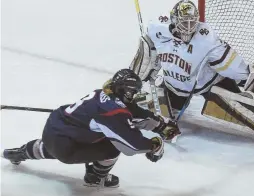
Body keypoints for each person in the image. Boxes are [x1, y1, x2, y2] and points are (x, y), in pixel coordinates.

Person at [130, 0, 254, 147]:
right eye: (185, 23)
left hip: (211, 84)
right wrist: (148, 69)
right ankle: (126, 99)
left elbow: (229, 63)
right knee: (159, 118)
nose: (189, 27)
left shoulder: (207, 39)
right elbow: (148, 46)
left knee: (243, 109)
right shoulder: (157, 28)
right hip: (174, 87)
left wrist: (249, 77)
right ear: (174, 20)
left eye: (193, 22)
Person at [2, 69, 179, 188]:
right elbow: (131, 144)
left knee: (54, 145)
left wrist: (160, 125)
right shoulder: (113, 112)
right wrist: (154, 145)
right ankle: (96, 178)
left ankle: (20, 153)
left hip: (54, 128)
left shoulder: (103, 93)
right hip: (67, 146)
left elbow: (132, 112)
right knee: (112, 146)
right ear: (125, 91)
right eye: (134, 92)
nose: (135, 96)